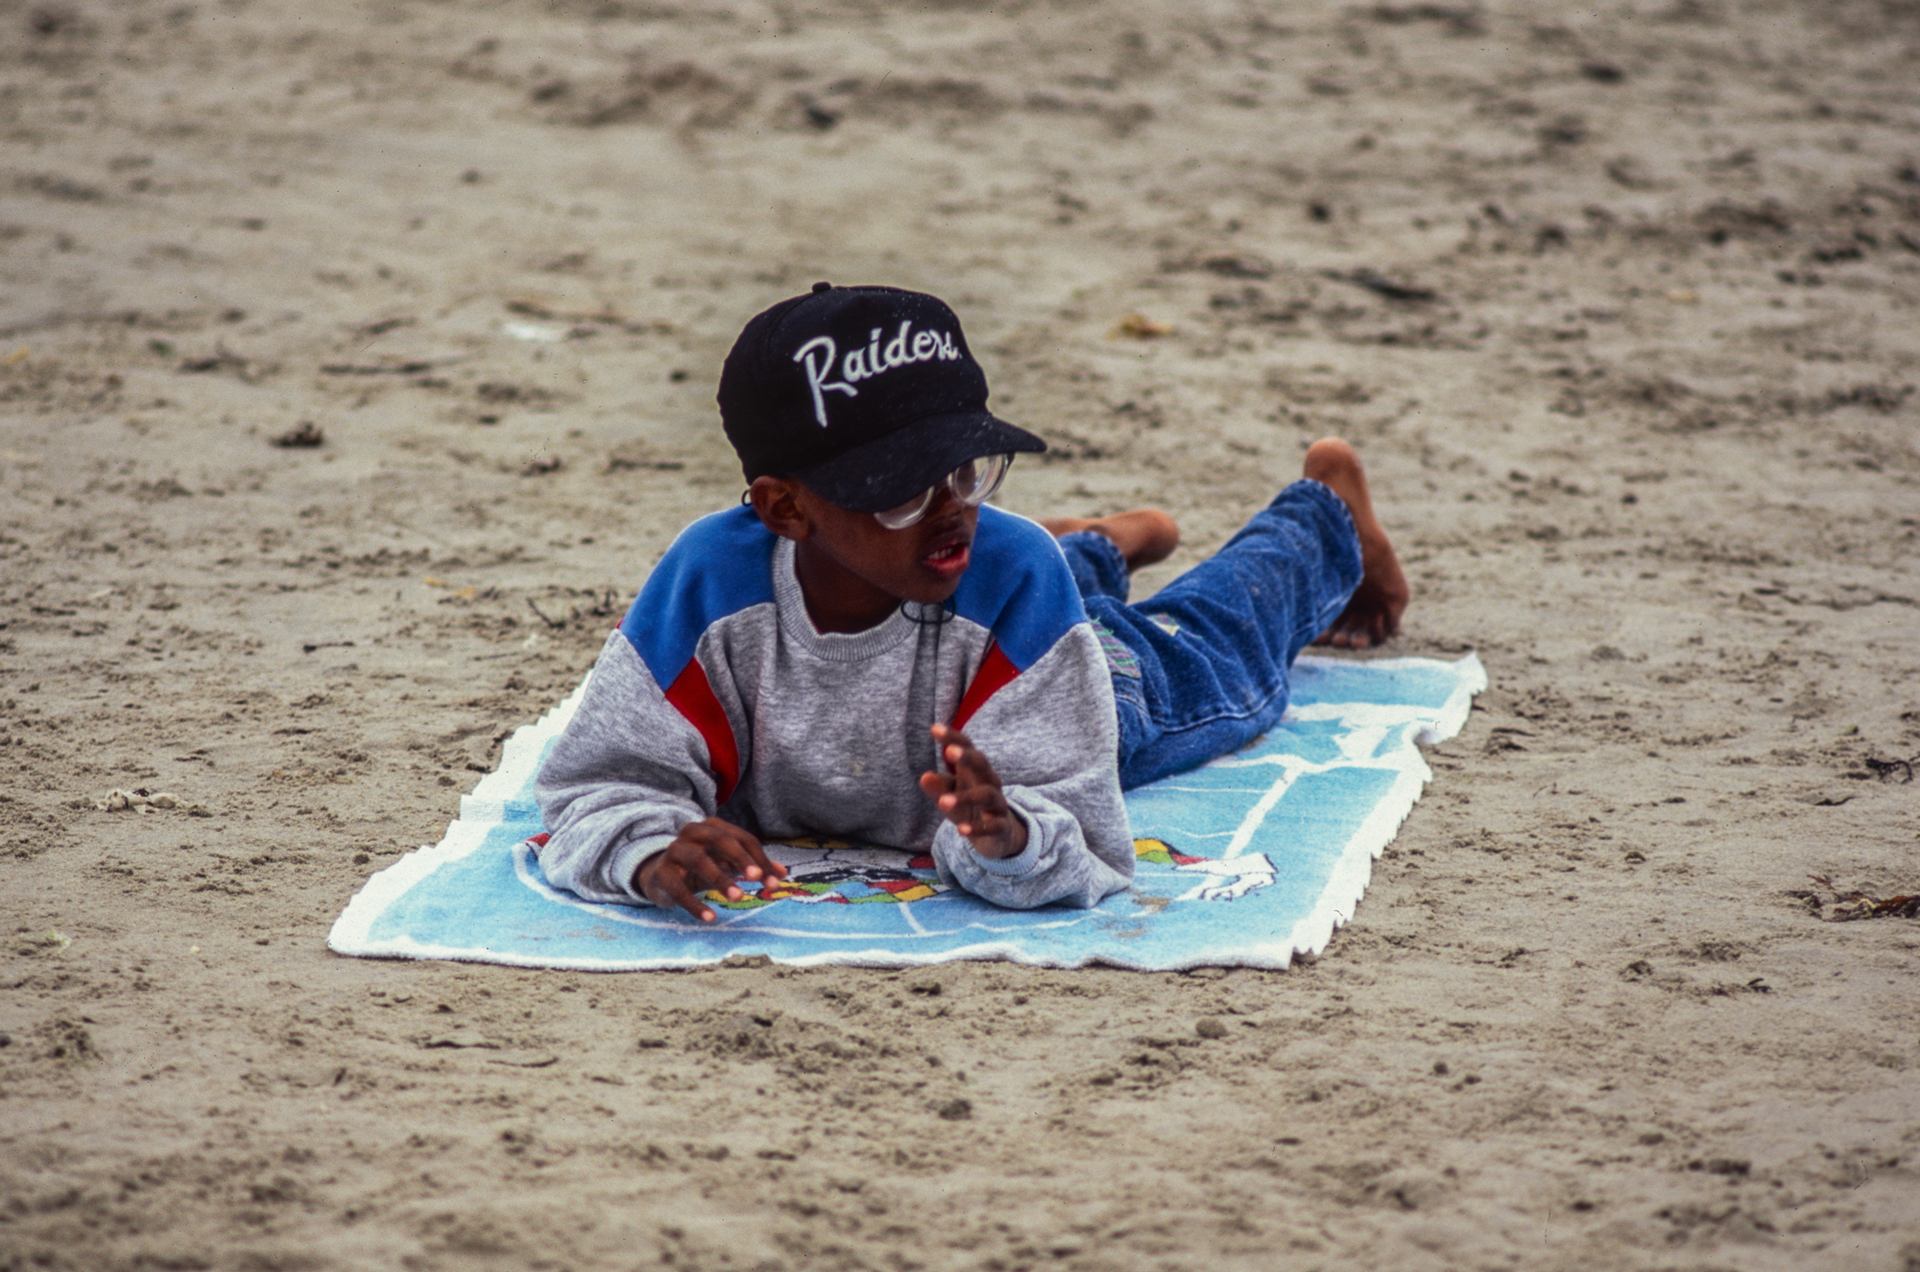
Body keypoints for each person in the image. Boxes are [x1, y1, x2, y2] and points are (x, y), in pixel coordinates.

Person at [532, 283, 1408, 922]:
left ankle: (1323, 514)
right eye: (901, 490)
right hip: (994, 601)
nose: (953, 506)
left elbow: (1080, 830)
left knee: (1211, 649)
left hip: (1056, 667)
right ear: (784, 509)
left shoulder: (1003, 566)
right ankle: (1094, 548)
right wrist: (647, 851)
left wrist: (1006, 835)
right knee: (1010, 559)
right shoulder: (706, 585)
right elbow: (599, 783)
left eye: (967, 472)